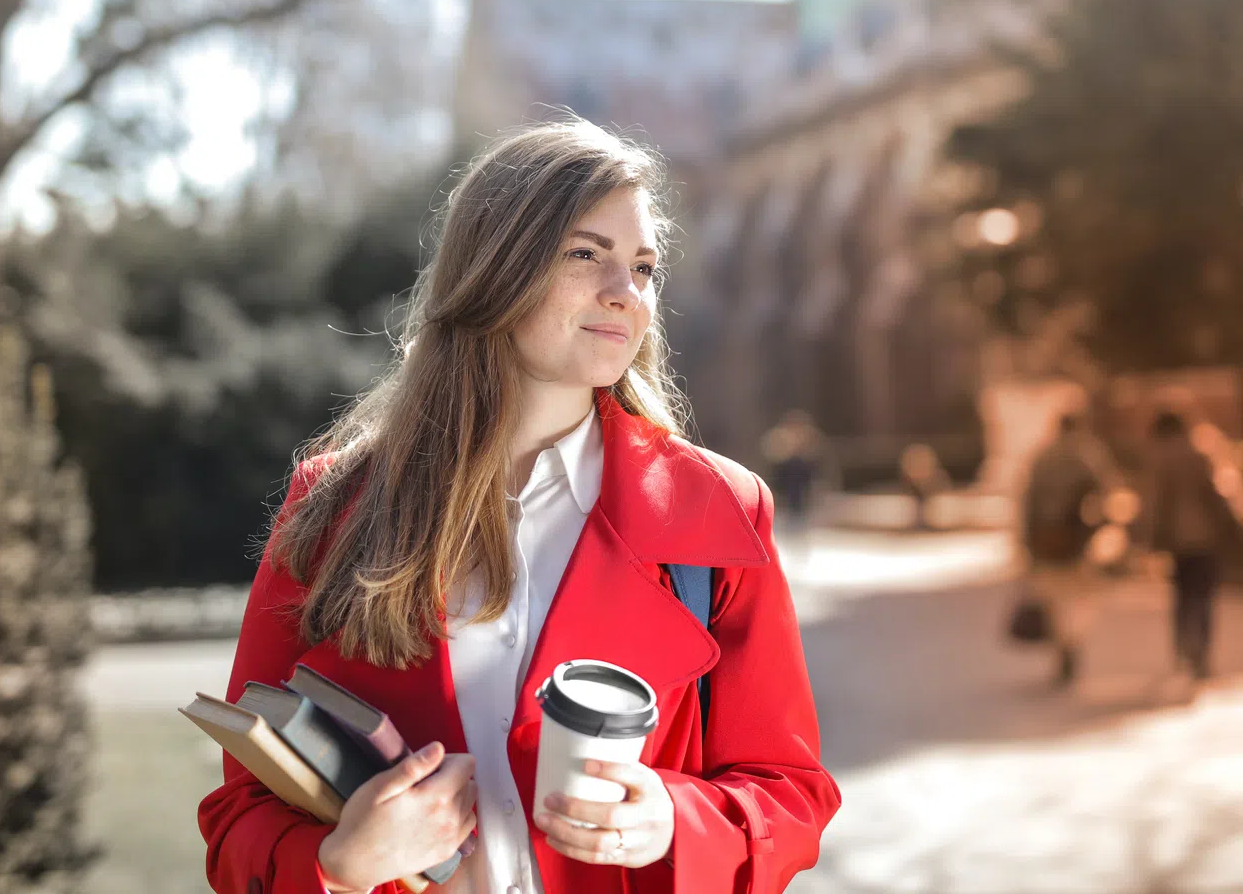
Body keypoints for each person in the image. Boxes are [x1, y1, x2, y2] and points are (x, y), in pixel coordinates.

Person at [197, 121, 840, 894]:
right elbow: (240, 812)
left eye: (643, 266)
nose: (625, 292)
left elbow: (790, 793)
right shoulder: (332, 508)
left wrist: (673, 820)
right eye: (585, 254)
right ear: (494, 269)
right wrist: (338, 866)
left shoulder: (720, 513)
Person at [1144, 409, 1238, 686]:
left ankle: (1184, 651)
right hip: (1206, 540)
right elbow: (1218, 496)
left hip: (1178, 542)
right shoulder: (1202, 454)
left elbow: (1158, 506)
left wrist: (1154, 540)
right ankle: (1201, 655)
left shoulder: (1162, 462)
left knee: (1183, 598)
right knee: (1204, 598)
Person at [1019, 412, 1112, 687]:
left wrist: (1027, 542)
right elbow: (1104, 494)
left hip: (1044, 540)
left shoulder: (1042, 458)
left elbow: (1028, 502)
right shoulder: (1086, 456)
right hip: (1074, 540)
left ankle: (1063, 647)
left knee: (1053, 598)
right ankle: (1070, 645)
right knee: (1075, 598)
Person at [761, 410, 830, 557]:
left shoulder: (810, 445)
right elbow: (774, 471)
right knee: (789, 522)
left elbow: (816, 470)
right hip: (787, 493)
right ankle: (791, 548)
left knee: (800, 520)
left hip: (802, 493)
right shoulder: (780, 444)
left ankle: (800, 548)